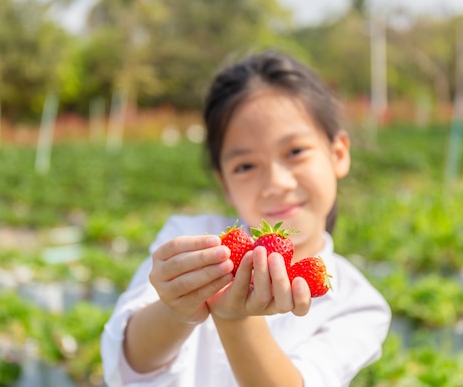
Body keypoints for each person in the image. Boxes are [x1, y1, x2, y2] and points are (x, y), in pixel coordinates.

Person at [100, 50, 391, 386]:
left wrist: (235, 320)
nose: (276, 183)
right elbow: (130, 361)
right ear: (225, 183)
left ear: (338, 153)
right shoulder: (193, 241)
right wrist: (176, 309)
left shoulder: (357, 304)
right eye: (246, 166)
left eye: (295, 152)